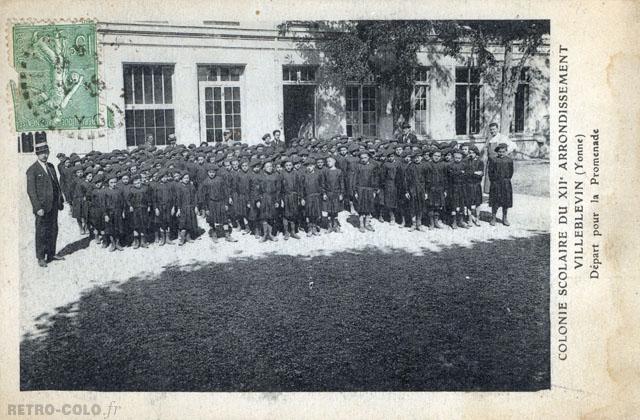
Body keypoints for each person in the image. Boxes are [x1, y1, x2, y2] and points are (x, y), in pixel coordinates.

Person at [26, 137, 65, 267]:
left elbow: (56, 184)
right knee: (42, 231)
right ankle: (41, 257)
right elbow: (31, 191)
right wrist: (37, 207)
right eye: (42, 153)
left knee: (53, 229)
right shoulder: (32, 170)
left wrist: (60, 199)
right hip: (42, 207)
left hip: (53, 205)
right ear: (37, 154)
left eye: (46, 152)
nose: (45, 155)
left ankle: (51, 253)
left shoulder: (51, 167)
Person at [488, 143, 514, 226]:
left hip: (506, 183)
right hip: (496, 183)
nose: (501, 153)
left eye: (503, 151)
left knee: (506, 201)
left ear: (506, 151)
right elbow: (490, 172)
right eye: (499, 152)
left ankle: (505, 218)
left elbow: (511, 172)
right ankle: (493, 217)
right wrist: (494, 181)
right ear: (497, 152)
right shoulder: (493, 160)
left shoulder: (509, 160)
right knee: (495, 200)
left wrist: (506, 179)